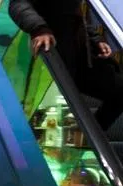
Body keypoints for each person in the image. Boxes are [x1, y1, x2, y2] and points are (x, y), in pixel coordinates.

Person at [9, 0, 123, 130]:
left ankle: (85, 138)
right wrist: (39, 29)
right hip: (53, 58)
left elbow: (77, 17)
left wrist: (96, 40)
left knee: (119, 92)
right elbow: (18, 4)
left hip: (81, 60)